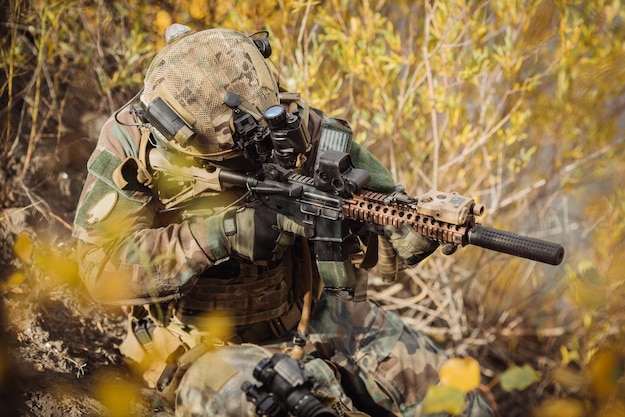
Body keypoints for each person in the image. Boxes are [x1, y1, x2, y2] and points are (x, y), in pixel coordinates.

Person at [72, 25, 493, 417]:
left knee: (461, 400)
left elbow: (378, 233)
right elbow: (97, 266)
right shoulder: (135, 147)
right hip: (199, 346)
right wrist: (217, 236)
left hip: (313, 312)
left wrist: (411, 231)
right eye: (231, 156)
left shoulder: (297, 127)